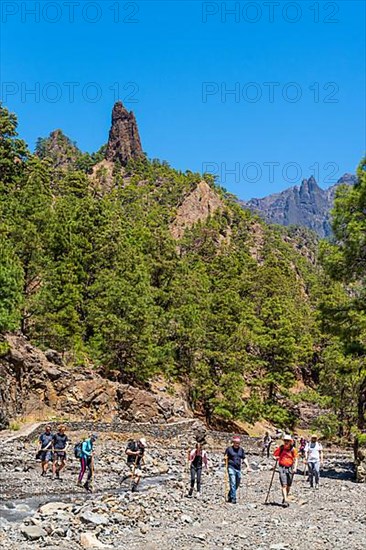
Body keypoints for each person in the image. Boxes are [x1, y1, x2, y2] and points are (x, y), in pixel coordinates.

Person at [224, 435, 251, 504]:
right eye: (236, 443)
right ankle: (233, 498)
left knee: (237, 483)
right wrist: (225, 459)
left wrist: (247, 465)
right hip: (231, 467)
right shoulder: (229, 449)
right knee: (232, 482)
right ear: (233, 442)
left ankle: (230, 495)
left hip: (238, 468)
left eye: (238, 443)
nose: (237, 444)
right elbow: (225, 456)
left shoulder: (241, 450)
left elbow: (244, 458)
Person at [273, 434, 298, 507]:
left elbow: (296, 459)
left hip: (290, 468)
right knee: (284, 485)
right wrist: (275, 458)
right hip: (282, 468)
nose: (286, 442)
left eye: (288, 441)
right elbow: (274, 455)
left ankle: (285, 497)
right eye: (285, 441)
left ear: (290, 442)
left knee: (288, 485)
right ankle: (286, 500)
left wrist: (295, 468)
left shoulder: (293, 450)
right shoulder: (281, 448)